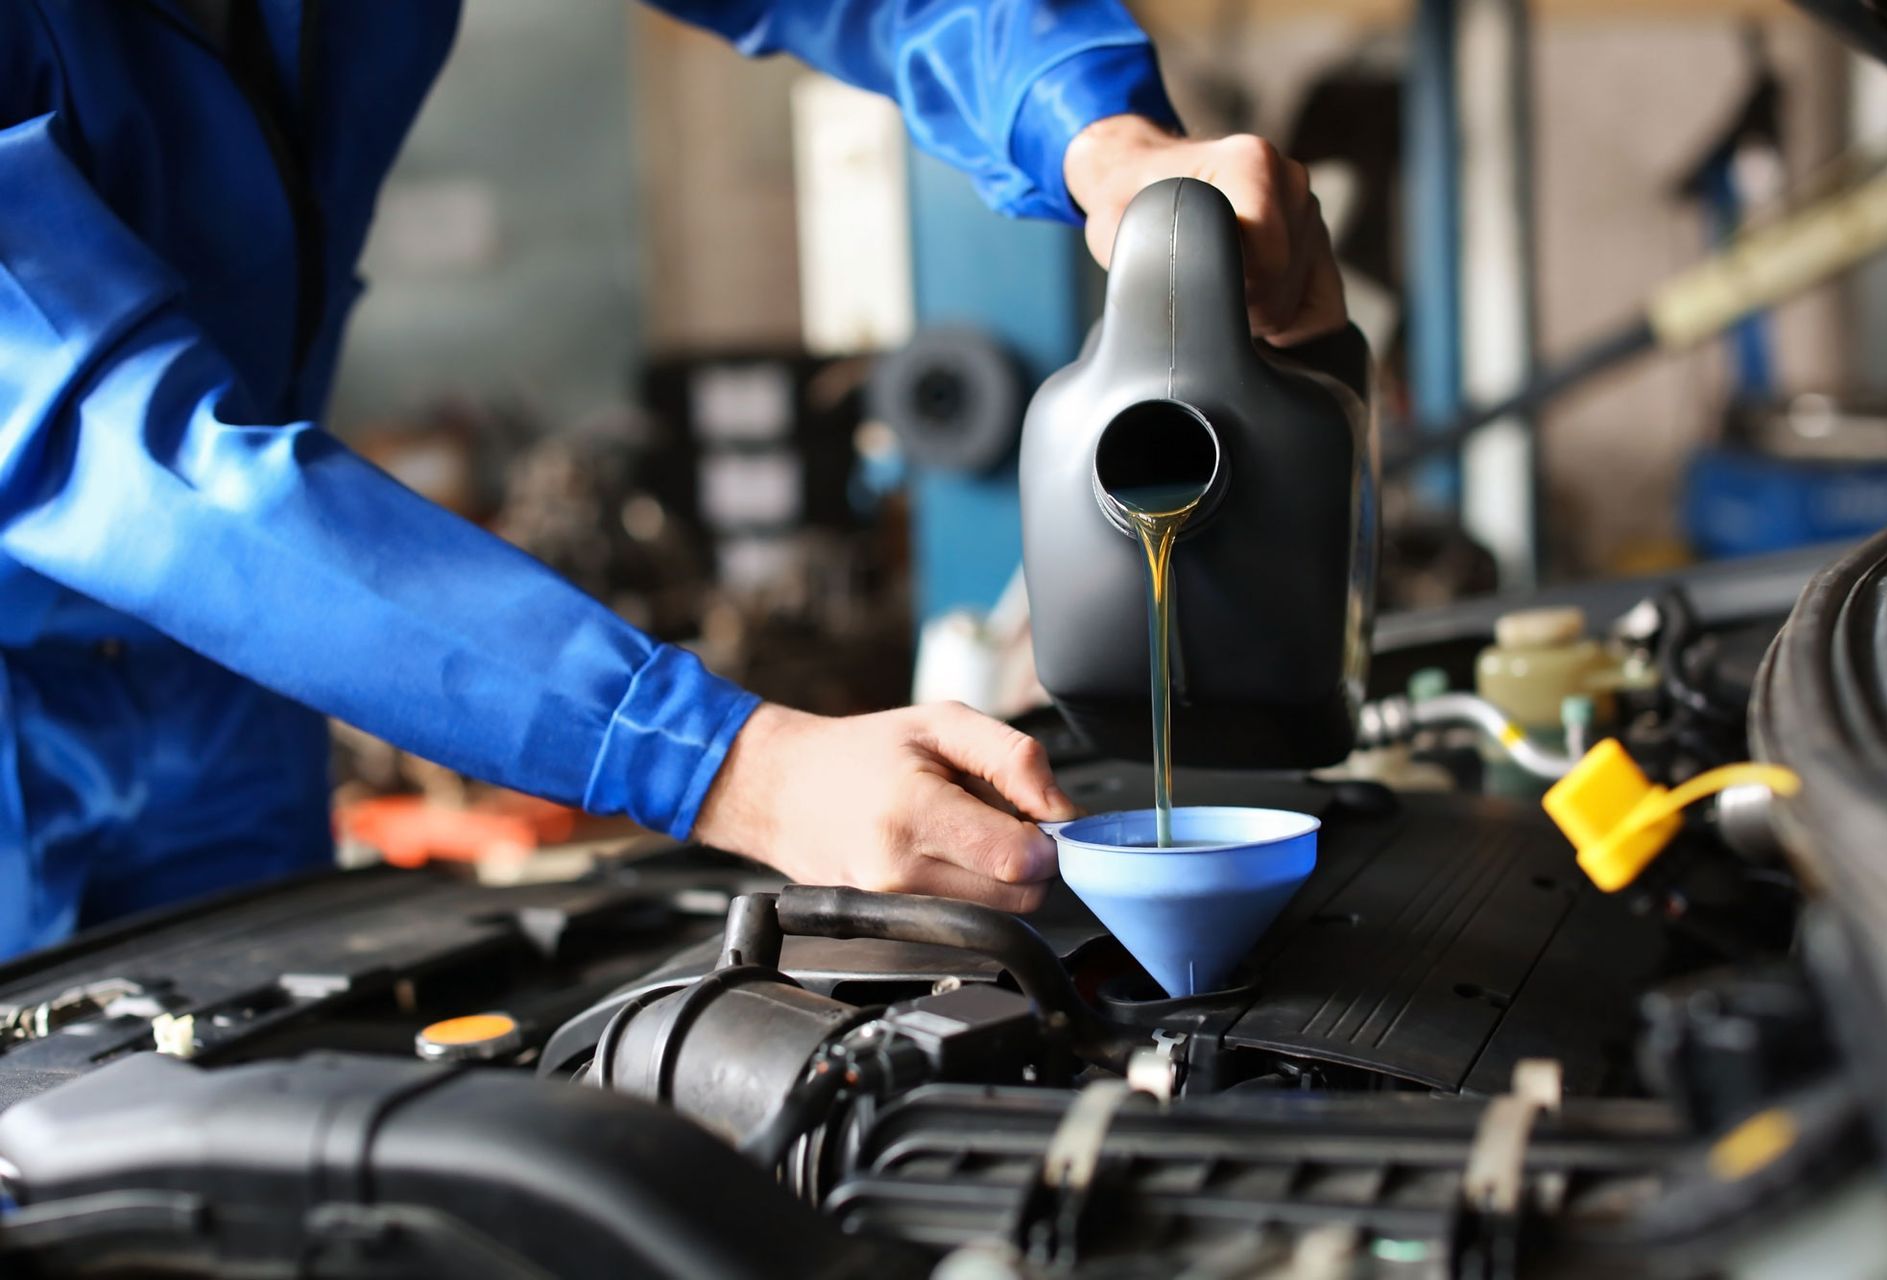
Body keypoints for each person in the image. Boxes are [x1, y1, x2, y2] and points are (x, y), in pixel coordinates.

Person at [0, 0, 1346, 959]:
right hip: (49, 679)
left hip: (239, 683)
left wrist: (1097, 134)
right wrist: (728, 764)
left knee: (250, 1135)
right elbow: (130, 462)